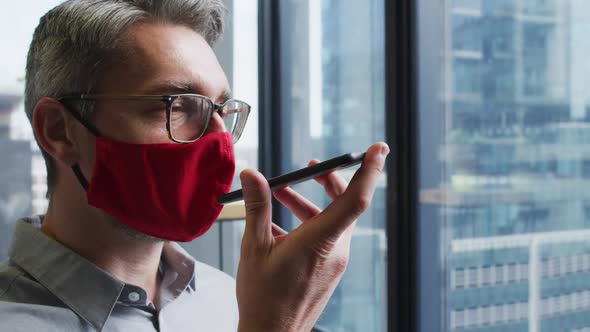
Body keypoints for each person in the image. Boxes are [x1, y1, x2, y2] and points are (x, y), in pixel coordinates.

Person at [0, 0, 389, 331]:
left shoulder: (233, 298)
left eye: (221, 110)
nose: (218, 142)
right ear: (58, 131)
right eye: (178, 105)